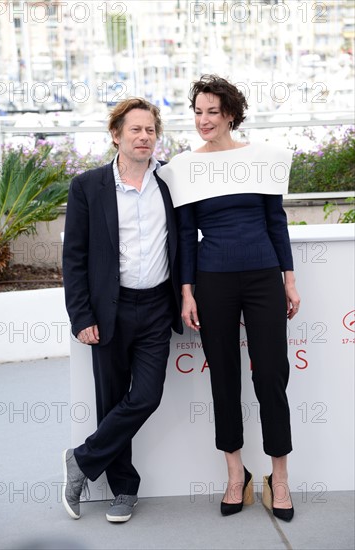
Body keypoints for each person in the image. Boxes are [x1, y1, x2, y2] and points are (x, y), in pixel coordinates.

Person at [158, 75, 300, 522]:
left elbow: (276, 223)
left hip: (262, 277)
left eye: (212, 112)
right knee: (224, 377)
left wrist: (289, 282)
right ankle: (235, 474)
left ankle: (279, 476)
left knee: (272, 375)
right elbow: (184, 234)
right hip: (212, 279)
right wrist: (186, 292)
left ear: (231, 115)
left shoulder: (260, 159)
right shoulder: (185, 167)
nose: (203, 120)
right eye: (197, 112)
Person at [62, 98, 182, 523]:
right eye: (135, 130)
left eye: (150, 129)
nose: (145, 137)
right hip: (108, 310)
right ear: (116, 135)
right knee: (111, 400)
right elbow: (74, 258)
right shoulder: (87, 187)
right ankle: (123, 489)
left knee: (146, 396)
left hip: (156, 307)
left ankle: (81, 459)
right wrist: (82, 317)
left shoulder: (171, 181)